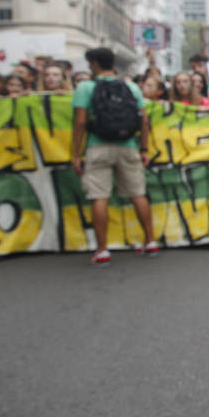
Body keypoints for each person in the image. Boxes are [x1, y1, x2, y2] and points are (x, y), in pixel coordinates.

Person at [70, 47, 159, 265]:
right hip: (128, 146)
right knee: (138, 193)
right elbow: (144, 120)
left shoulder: (86, 87)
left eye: (90, 63)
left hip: (97, 146)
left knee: (99, 197)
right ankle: (150, 241)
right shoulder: (131, 87)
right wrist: (144, 148)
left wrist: (75, 153)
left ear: (95, 63)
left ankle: (102, 250)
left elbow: (80, 122)